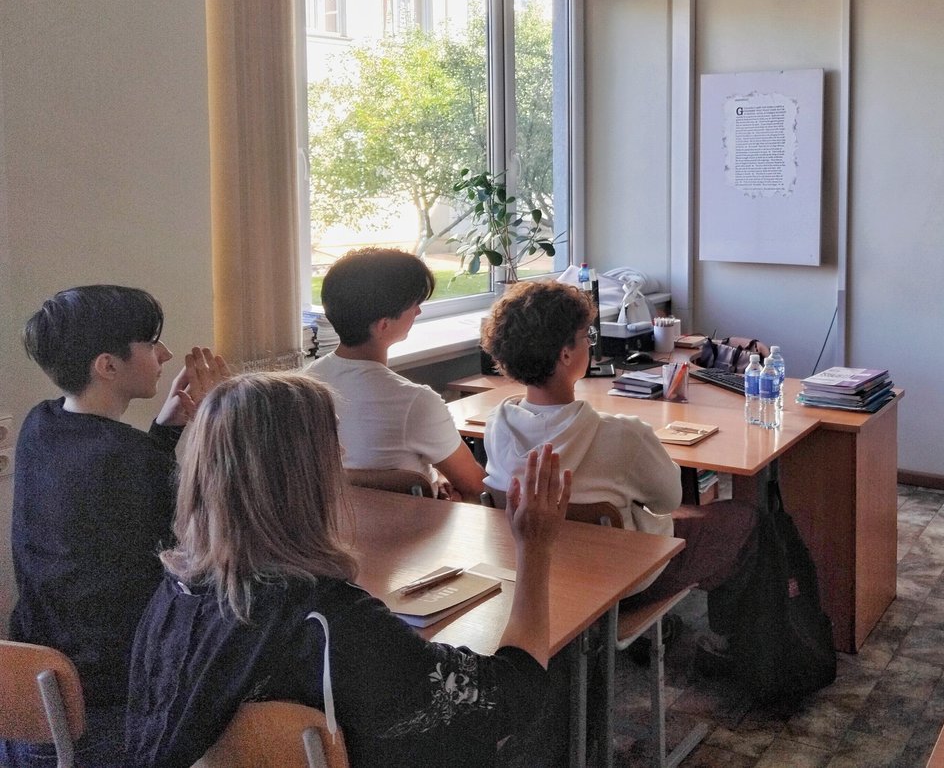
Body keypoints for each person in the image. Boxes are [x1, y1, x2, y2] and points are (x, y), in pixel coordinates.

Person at [124, 373, 569, 768]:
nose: (341, 451)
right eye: (331, 442)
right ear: (303, 475)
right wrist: (534, 548)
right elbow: (514, 693)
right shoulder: (335, 625)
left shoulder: (171, 598)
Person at [5, 285, 227, 768]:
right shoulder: (127, 460)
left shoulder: (41, 424)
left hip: (36, 682)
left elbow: (117, 490)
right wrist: (219, 417)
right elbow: (220, 522)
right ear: (107, 365)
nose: (165, 354)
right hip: (114, 697)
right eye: (151, 343)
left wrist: (167, 428)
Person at [478, 280, 757, 661]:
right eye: (586, 337)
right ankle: (727, 648)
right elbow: (668, 500)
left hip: (533, 580)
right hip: (621, 582)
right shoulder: (623, 434)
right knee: (744, 519)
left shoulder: (495, 427)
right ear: (565, 355)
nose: (591, 345)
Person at [307, 248, 485, 500]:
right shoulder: (416, 402)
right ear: (383, 325)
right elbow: (477, 487)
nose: (418, 312)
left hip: (330, 521)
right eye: (414, 305)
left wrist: (434, 474)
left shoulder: (302, 385)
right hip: (411, 523)